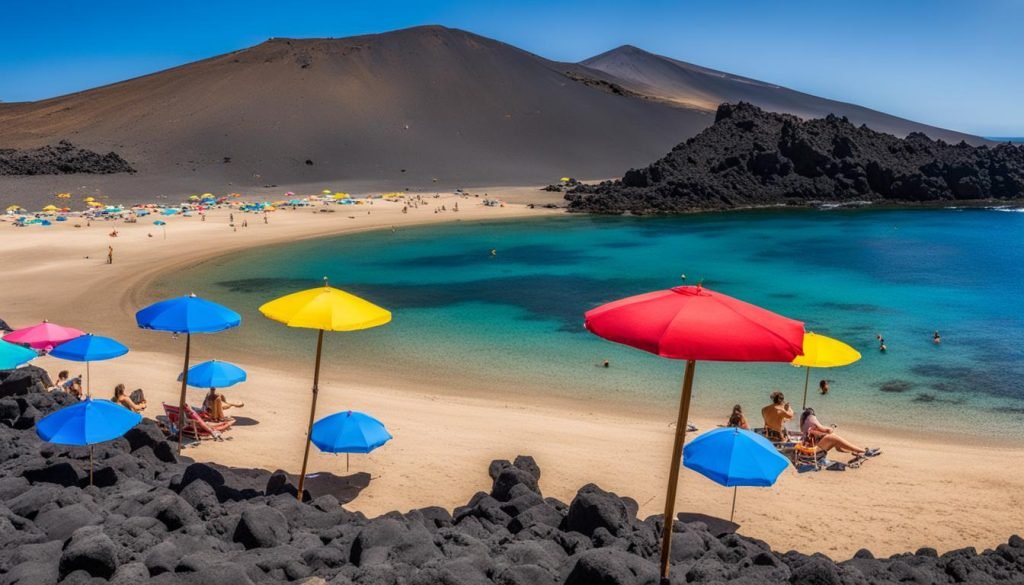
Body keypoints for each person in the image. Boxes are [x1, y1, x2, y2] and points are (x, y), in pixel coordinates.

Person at [800, 408, 879, 458]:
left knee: (831, 437)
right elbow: (827, 430)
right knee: (832, 436)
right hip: (811, 452)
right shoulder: (811, 418)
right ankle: (863, 452)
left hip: (808, 450)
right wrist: (830, 428)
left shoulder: (804, 423)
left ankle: (859, 451)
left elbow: (817, 432)